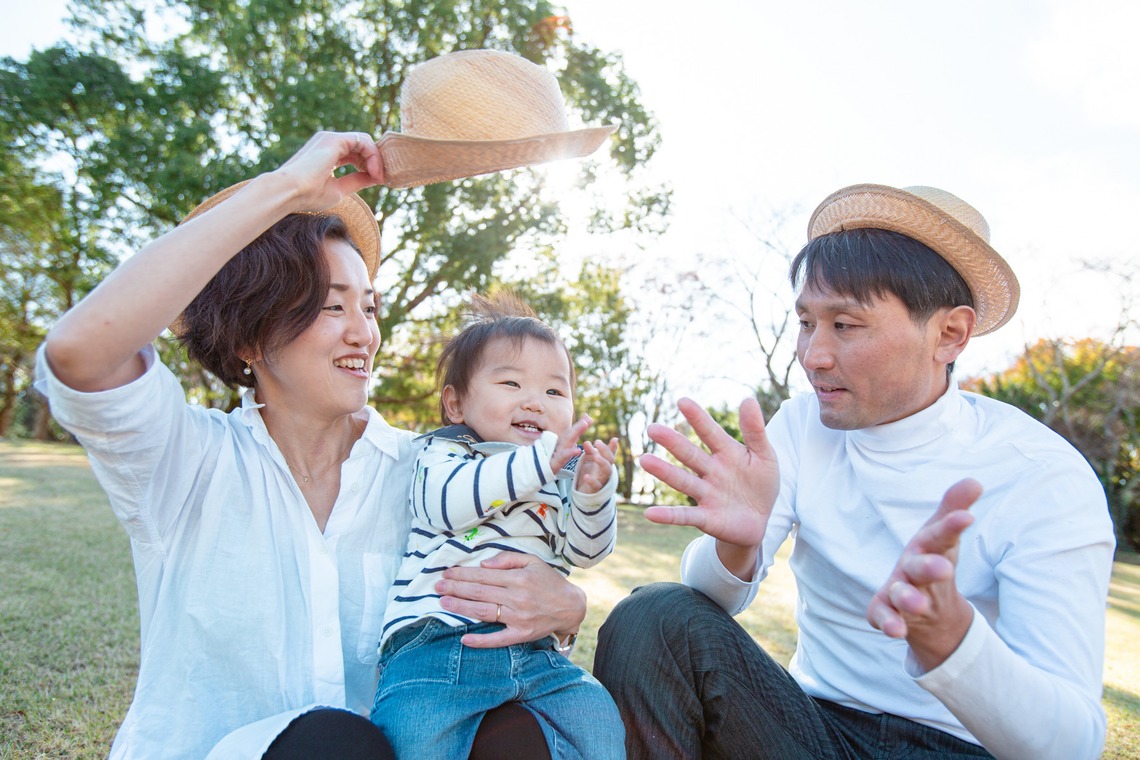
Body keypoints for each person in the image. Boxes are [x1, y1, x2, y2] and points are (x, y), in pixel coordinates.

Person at [34, 131, 589, 759]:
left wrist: (567, 606)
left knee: (505, 734)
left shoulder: (431, 470)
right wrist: (286, 189)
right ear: (249, 340)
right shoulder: (186, 462)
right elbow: (82, 352)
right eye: (332, 307)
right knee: (333, 740)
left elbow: (523, 576)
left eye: (370, 308)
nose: (365, 335)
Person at [592, 184, 1116, 760]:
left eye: (846, 325)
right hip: (812, 730)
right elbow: (706, 605)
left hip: (961, 748)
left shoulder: (1042, 475)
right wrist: (734, 550)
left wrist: (952, 642)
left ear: (950, 334)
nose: (813, 355)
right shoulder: (801, 427)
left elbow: (1073, 745)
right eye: (806, 322)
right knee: (654, 616)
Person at [370, 291, 625, 759]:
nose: (535, 402)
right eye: (510, 383)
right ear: (456, 404)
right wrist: (537, 464)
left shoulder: (556, 476)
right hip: (440, 646)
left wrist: (592, 495)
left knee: (598, 718)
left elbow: (586, 552)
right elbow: (444, 506)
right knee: (412, 739)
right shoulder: (446, 452)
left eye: (554, 391)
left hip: (537, 654)